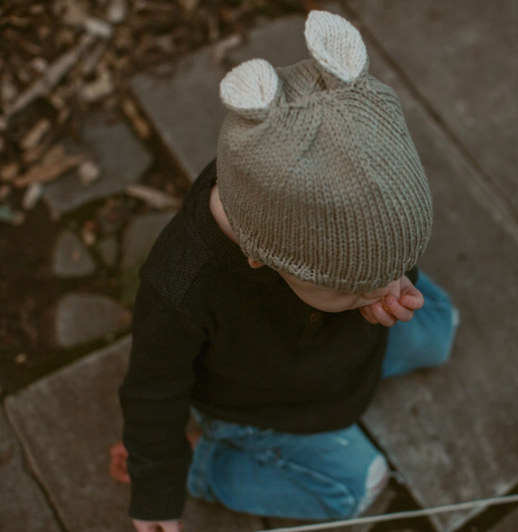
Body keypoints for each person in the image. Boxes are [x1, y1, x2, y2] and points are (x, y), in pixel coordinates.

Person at [113, 11, 458, 532]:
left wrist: (390, 278)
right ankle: (209, 463)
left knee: (441, 327)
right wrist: (156, 483)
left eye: (391, 269)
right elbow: (151, 390)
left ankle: (358, 328)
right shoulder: (182, 285)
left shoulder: (334, 226)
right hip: (260, 401)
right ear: (261, 256)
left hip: (341, 355)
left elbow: (376, 260)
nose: (385, 288)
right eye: (356, 283)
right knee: (356, 485)